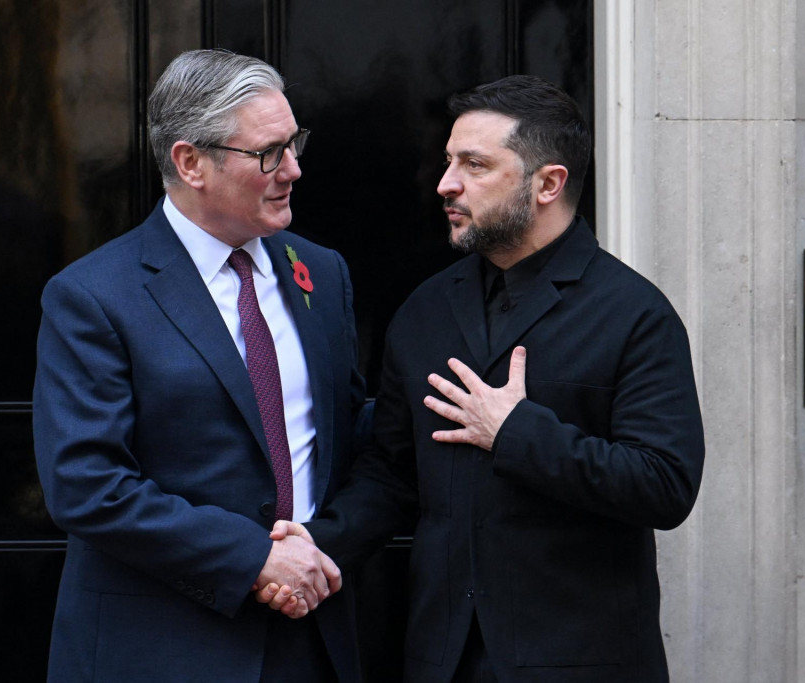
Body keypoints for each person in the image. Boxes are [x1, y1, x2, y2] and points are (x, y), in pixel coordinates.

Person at [286, 75, 706, 682]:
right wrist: (313, 548)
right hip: (442, 659)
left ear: (548, 184)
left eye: (474, 165)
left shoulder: (635, 314)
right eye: (450, 160)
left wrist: (515, 432)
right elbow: (391, 474)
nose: (446, 184)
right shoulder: (426, 310)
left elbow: (665, 485)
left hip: (580, 663)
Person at [33, 49, 365, 682]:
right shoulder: (95, 295)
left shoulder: (321, 272)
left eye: (295, 144)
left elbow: (345, 435)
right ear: (190, 162)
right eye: (269, 152)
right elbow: (87, 484)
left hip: (312, 639)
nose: (292, 168)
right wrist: (254, 560)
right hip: (164, 646)